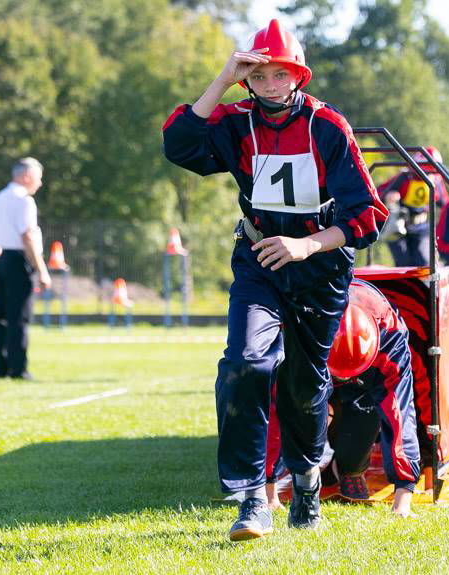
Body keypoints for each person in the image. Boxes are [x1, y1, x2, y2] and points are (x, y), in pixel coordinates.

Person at [162, 19, 387, 541]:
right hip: (259, 258)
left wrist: (307, 245)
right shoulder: (235, 121)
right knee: (244, 362)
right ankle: (251, 498)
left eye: (279, 73)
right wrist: (222, 79)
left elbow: (368, 215)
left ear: (298, 76)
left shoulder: (328, 126)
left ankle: (306, 481)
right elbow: (179, 145)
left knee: (304, 385)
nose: (268, 84)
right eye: (258, 75)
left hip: (319, 267)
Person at [266, 279, 421, 516]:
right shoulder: (297, 329)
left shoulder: (390, 338)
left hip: (363, 385)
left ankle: (348, 468)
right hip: (314, 362)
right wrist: (269, 491)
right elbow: (275, 411)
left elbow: (400, 416)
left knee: (361, 428)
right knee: (300, 416)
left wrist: (403, 498)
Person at [0, 157, 51, 380]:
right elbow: (27, 236)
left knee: (1, 316)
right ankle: (18, 369)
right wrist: (42, 270)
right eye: (38, 178)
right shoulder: (24, 201)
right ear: (26, 176)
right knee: (19, 316)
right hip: (19, 260)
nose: (40, 183)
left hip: (3, 260)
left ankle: (0, 367)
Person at [377, 147, 448, 267]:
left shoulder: (436, 181)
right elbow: (378, 193)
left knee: (424, 264)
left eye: (431, 172)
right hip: (398, 227)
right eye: (425, 171)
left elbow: (445, 204)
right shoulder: (404, 177)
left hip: (421, 228)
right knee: (403, 264)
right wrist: (388, 197)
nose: (428, 175)